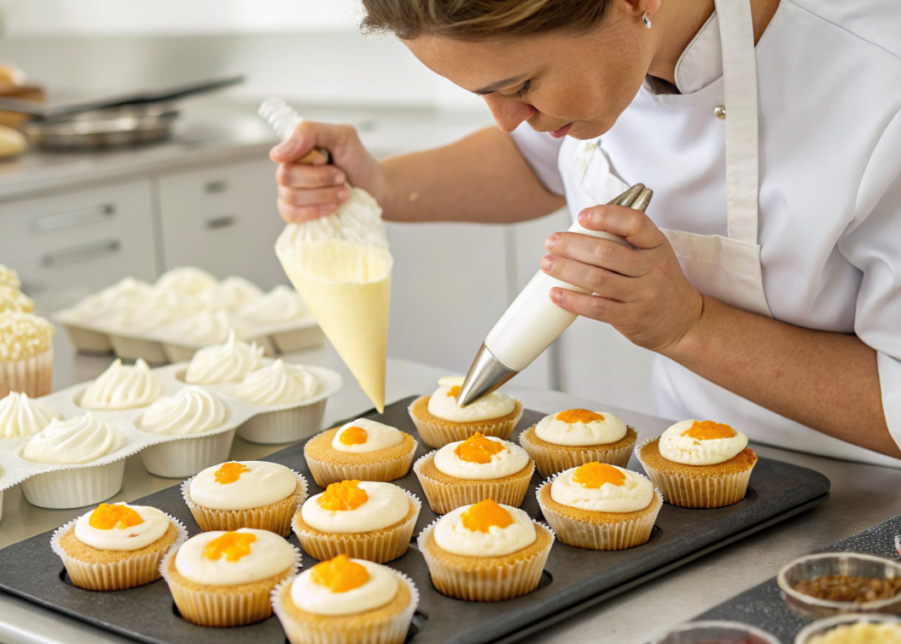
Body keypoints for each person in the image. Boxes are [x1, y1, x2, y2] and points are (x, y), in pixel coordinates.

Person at [269, 0, 901, 465]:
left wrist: (689, 326)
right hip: (693, 467)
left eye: (519, 87)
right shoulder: (618, 53)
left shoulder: (879, 90)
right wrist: (375, 185)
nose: (511, 121)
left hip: (870, 503)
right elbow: (537, 162)